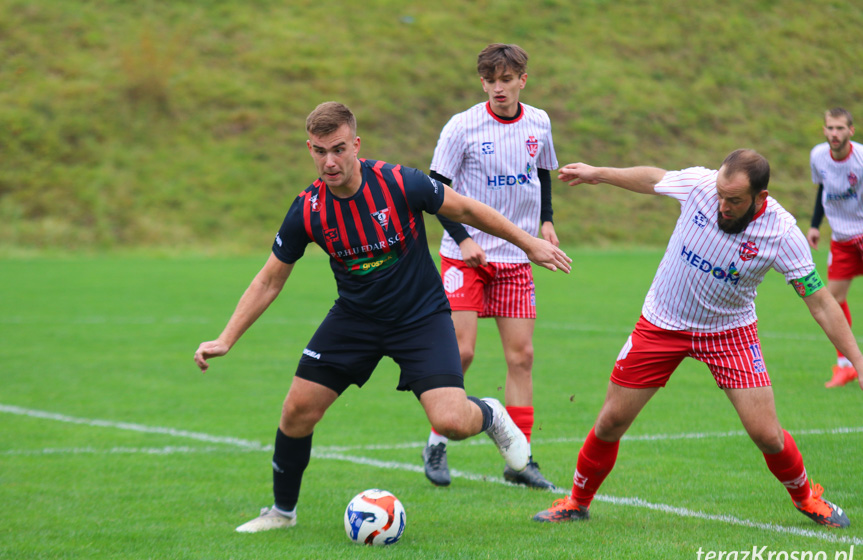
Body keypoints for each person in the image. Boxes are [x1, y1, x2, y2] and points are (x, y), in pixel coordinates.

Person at [193, 101, 572, 533]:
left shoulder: (399, 183)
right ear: (309, 149)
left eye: (338, 149)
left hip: (420, 318)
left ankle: (490, 414)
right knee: (296, 410)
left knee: (451, 421)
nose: (329, 162)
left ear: (356, 144)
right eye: (319, 151)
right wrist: (226, 338)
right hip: (356, 319)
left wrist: (529, 243)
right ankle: (282, 513)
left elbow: (465, 209)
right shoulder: (308, 209)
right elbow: (269, 280)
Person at [533, 149, 859, 529]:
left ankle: (807, 499)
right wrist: (599, 173)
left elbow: (820, 302)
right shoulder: (701, 185)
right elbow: (654, 179)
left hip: (729, 334)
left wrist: (857, 359)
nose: (722, 205)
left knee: (766, 433)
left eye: (734, 200)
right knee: (611, 421)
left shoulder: (782, 232)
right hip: (661, 324)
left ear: (760, 198)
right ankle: (576, 502)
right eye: (720, 194)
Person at [420, 43, 559, 490]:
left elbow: (542, 174)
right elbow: (433, 193)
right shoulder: (461, 127)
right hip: (466, 256)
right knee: (461, 352)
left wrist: (547, 222)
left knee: (522, 357)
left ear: (523, 79)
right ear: (482, 82)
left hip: (517, 257)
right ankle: (437, 440)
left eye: (506, 79)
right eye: (490, 80)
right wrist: (462, 240)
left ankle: (520, 461)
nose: (498, 88)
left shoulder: (539, 122)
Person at [806, 107, 863, 388]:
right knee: (833, 300)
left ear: (851, 131)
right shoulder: (818, 155)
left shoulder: (861, 159)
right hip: (841, 239)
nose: (834, 133)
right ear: (824, 130)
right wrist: (815, 225)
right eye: (830, 128)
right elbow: (822, 190)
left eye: (840, 128)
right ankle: (846, 366)